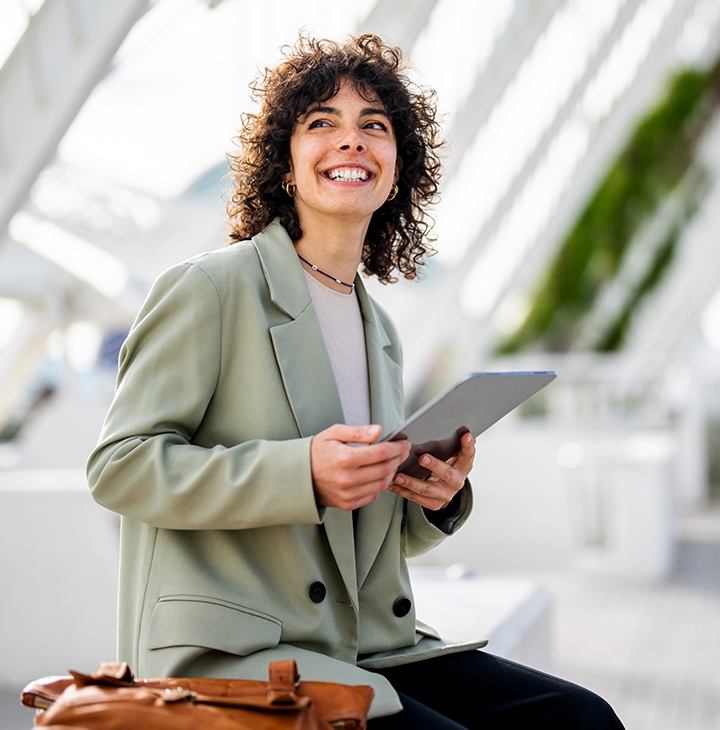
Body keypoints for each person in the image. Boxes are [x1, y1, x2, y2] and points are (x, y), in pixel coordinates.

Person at [87, 34, 624, 729]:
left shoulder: (380, 330)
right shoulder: (210, 289)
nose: (352, 141)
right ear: (284, 162)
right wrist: (300, 472)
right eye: (322, 124)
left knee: (580, 719)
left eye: (375, 126)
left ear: (397, 169)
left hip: (364, 646)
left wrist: (431, 498)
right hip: (238, 656)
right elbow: (118, 468)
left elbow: (357, 539)